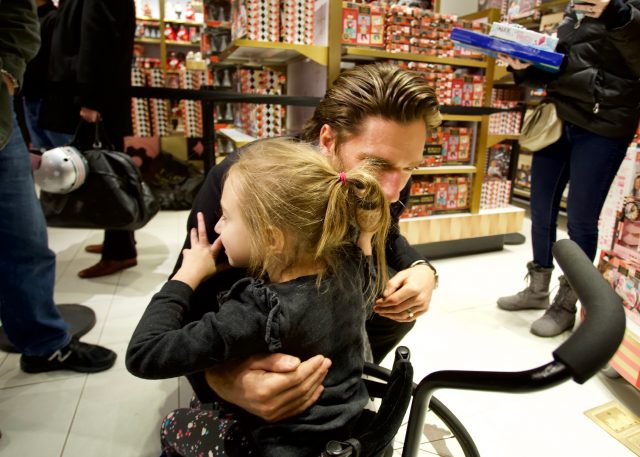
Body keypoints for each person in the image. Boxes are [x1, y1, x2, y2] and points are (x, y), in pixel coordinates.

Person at [169, 63, 441, 423]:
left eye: (410, 169)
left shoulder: (386, 184)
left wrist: (423, 270)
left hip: (326, 304)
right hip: (253, 316)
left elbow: (388, 236)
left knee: (393, 292)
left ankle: (342, 379)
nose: (393, 192)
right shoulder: (248, 182)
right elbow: (190, 300)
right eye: (377, 165)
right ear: (328, 139)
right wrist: (224, 380)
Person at [127, 138, 391, 456]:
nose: (218, 225)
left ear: (270, 238)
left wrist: (187, 275)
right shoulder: (348, 267)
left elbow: (143, 354)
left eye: (226, 215)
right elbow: (368, 281)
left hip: (278, 447)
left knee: (174, 424)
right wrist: (365, 236)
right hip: (349, 433)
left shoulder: (259, 310)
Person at [497, 0, 640, 337]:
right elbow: (562, 68)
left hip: (603, 124)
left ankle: (566, 302)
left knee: (580, 219)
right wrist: (523, 67)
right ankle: (537, 287)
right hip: (560, 116)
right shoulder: (572, 13)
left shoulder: (622, 9)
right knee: (541, 207)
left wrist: (616, 13)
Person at [0, 0, 116, 374]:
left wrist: (7, 73)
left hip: (8, 113)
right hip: (40, 99)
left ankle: (44, 343)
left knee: (26, 238)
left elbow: (20, 19)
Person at [37, 0, 138, 279]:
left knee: (107, 172)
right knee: (108, 168)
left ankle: (120, 251)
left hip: (96, 98)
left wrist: (91, 99)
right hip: (98, 95)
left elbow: (97, 39)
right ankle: (119, 242)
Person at [21, 0, 72, 151]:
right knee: (40, 151)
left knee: (59, 151)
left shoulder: (54, 18)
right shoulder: (29, 18)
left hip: (47, 97)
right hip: (31, 92)